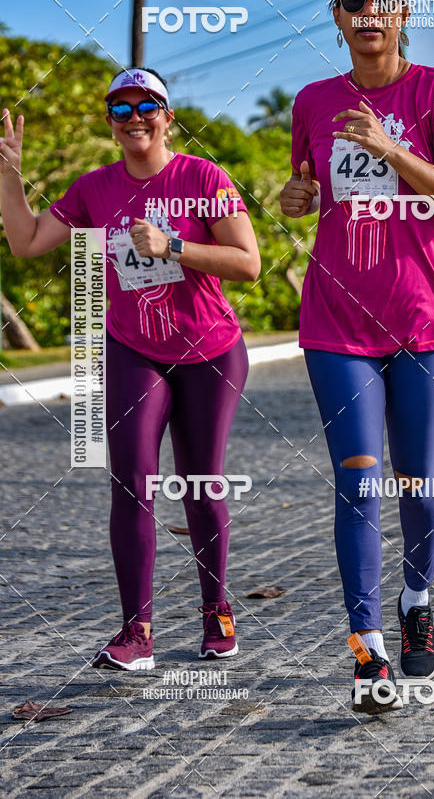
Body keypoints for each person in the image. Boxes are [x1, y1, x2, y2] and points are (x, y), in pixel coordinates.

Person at [0, 68, 260, 670]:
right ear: (111, 122)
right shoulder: (96, 188)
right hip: (132, 347)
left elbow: (247, 262)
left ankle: (217, 611)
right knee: (131, 483)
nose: (135, 116)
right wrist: (10, 172)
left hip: (209, 349)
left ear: (168, 117)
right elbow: (27, 241)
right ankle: (135, 632)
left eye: (148, 106)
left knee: (200, 484)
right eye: (121, 108)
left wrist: (173, 246)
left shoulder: (202, 177)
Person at [280, 0, 434, 714]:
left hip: (427, 322)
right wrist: (295, 195)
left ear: (404, 15)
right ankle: (367, 653)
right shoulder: (312, 100)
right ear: (338, 17)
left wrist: (391, 149)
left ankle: (417, 597)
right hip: (337, 322)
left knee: (417, 484)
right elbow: (303, 189)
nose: (370, 8)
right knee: (360, 481)